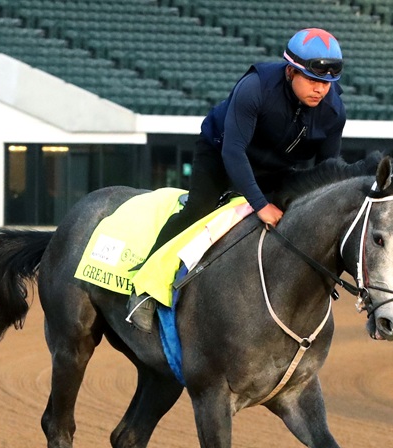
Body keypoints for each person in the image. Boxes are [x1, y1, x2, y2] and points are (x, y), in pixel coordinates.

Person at [128, 27, 347, 332]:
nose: (320, 90)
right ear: (290, 72)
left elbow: (328, 171)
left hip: (277, 169)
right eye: (312, 80)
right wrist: (260, 204)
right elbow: (234, 151)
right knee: (198, 210)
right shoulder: (255, 87)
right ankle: (143, 285)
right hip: (221, 154)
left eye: (326, 83)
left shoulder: (334, 111)